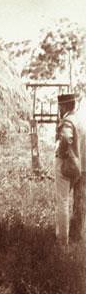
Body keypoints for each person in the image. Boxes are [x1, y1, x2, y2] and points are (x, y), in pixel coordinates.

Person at [54, 92, 86, 245]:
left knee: (62, 201)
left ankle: (62, 240)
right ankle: (77, 235)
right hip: (80, 165)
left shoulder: (67, 120)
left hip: (67, 164)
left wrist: (60, 153)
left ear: (65, 105)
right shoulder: (80, 119)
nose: (59, 109)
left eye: (60, 106)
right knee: (78, 201)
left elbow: (66, 138)